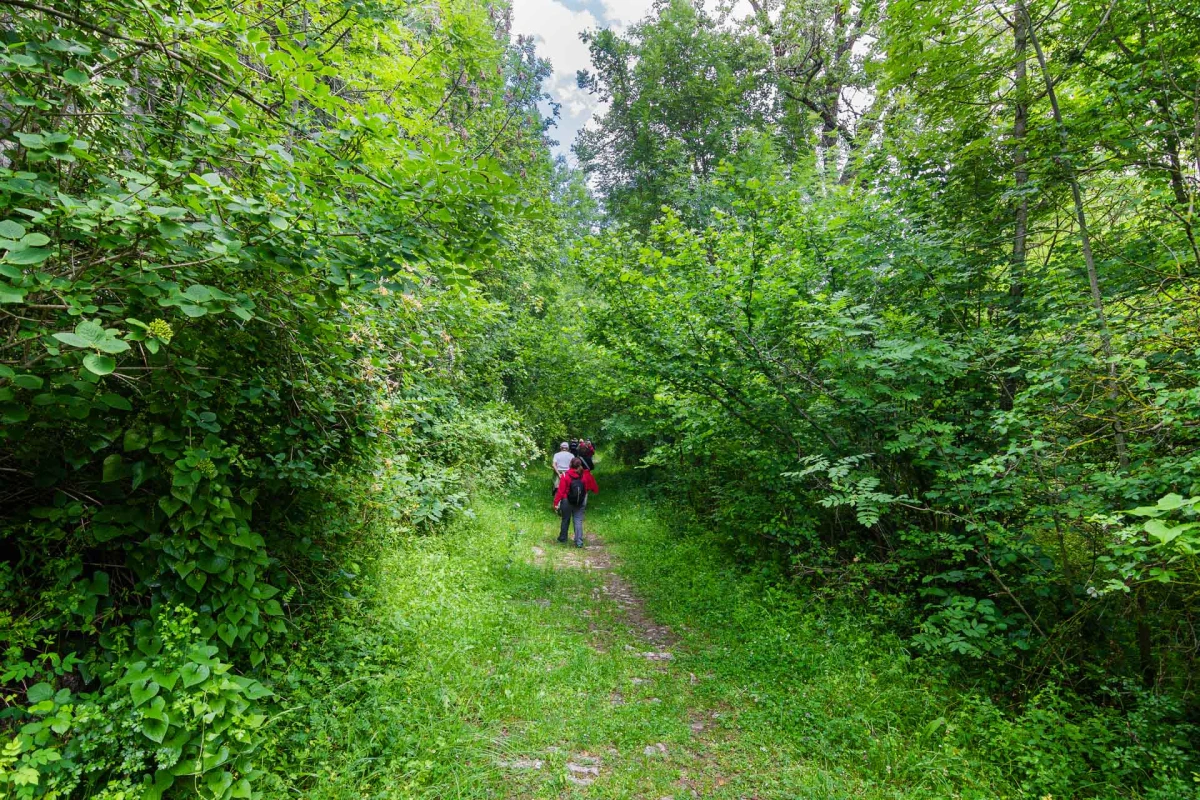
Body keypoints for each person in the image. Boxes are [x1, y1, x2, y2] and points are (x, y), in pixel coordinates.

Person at [554, 457, 598, 547]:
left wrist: (556, 502)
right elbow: (585, 489)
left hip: (566, 500)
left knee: (565, 519)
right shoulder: (584, 475)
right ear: (580, 465)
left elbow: (561, 491)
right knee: (578, 520)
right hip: (580, 500)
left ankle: (563, 538)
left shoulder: (565, 475)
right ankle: (579, 542)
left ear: (570, 464)